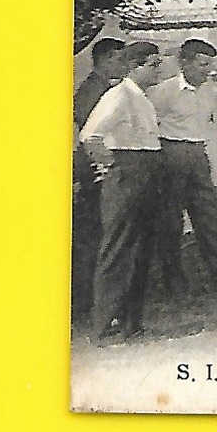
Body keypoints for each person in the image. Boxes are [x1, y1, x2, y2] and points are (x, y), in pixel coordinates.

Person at [79, 41, 166, 342]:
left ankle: (132, 323)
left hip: (147, 171)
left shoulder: (141, 97)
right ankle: (103, 327)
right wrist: (115, 166)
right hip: (128, 173)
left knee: (142, 249)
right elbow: (91, 137)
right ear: (136, 65)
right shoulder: (119, 95)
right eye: (154, 64)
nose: (159, 70)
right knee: (117, 249)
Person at [146, 39, 217, 292]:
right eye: (201, 64)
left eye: (210, 65)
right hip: (171, 155)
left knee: (209, 217)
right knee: (171, 221)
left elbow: (212, 126)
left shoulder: (211, 91)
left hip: (199, 155)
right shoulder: (162, 92)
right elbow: (148, 127)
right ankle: (174, 282)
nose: (206, 70)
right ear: (183, 63)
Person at [72, 37, 127, 328]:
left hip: (104, 162)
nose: (122, 65)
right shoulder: (91, 90)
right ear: (105, 60)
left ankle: (97, 295)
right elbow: (91, 132)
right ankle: (87, 298)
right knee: (95, 231)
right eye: (118, 59)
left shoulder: (108, 88)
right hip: (94, 165)